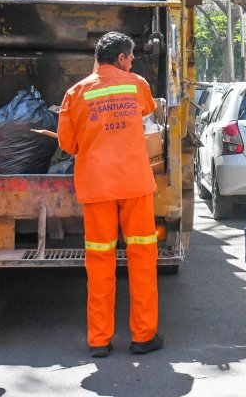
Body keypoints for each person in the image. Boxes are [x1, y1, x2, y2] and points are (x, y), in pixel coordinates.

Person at [58, 31, 163, 358]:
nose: (132, 63)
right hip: (134, 186)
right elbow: (147, 113)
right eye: (130, 58)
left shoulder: (75, 93)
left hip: (97, 187)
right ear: (120, 58)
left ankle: (99, 340)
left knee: (100, 263)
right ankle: (143, 336)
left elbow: (66, 144)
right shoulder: (137, 85)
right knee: (142, 261)